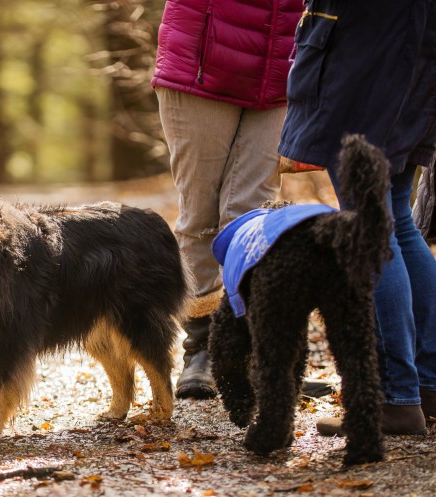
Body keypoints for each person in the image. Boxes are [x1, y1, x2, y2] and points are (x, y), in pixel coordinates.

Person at [279, 0, 436, 434]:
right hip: (415, 52)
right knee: (396, 221)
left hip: (367, 57)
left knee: (372, 226)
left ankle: (393, 397)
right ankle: (425, 386)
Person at [151, 0, 305, 398]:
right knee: (200, 216)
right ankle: (201, 348)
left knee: (253, 219)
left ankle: (251, 348)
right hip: (201, 66)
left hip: (281, 70)